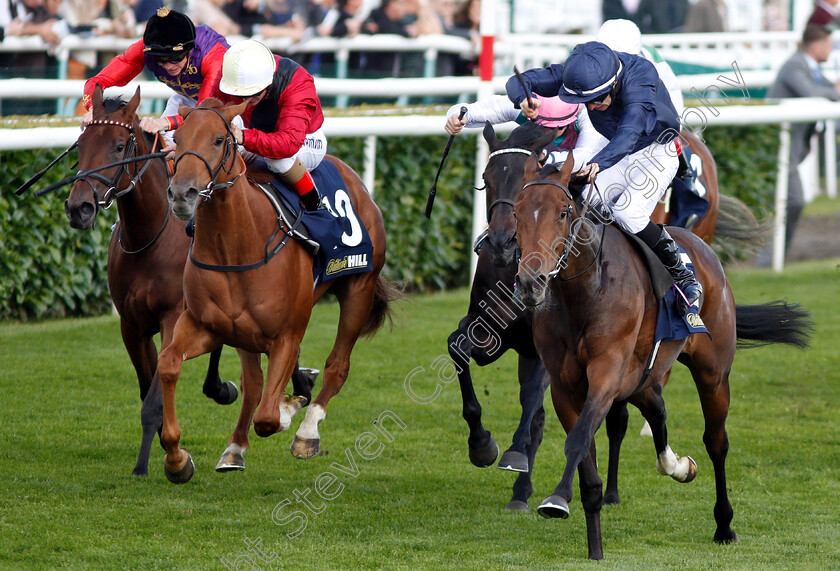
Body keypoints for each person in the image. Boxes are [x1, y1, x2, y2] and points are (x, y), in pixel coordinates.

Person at [506, 41, 702, 307]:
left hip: (658, 151)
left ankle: (683, 275)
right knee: (581, 205)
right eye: (583, 101)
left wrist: (598, 163)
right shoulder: (580, 73)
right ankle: (544, 277)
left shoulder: (641, 78)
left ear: (612, 84)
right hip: (615, 148)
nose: (590, 106)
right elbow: (520, 81)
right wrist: (523, 98)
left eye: (594, 100)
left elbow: (630, 133)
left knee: (627, 213)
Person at [80, 8, 228, 139]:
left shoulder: (212, 55)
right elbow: (97, 81)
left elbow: (205, 111)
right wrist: (95, 109)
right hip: (188, 100)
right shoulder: (143, 49)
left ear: (189, 49)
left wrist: (164, 122)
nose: (169, 67)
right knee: (160, 148)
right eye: (160, 60)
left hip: (232, 105)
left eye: (176, 58)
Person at [214, 39, 327, 211]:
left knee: (277, 161)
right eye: (239, 93)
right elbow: (209, 111)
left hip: (306, 139)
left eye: (253, 94)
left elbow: (288, 144)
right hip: (257, 131)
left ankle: (315, 205)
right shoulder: (230, 72)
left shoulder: (298, 83)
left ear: (268, 82)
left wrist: (244, 137)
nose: (246, 100)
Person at [766, 25, 840, 255]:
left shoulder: (809, 67)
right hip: (775, 147)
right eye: (828, 45)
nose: (830, 50)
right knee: (792, 201)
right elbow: (811, 91)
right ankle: (769, 259)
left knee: (790, 202)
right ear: (816, 45)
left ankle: (776, 257)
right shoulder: (794, 66)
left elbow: (826, 87)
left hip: (788, 148)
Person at [444, 94, 605, 171]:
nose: (546, 133)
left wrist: (547, 158)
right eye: (541, 125)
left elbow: (587, 156)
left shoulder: (587, 116)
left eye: (554, 128)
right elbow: (472, 110)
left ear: (569, 122)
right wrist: (455, 116)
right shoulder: (525, 106)